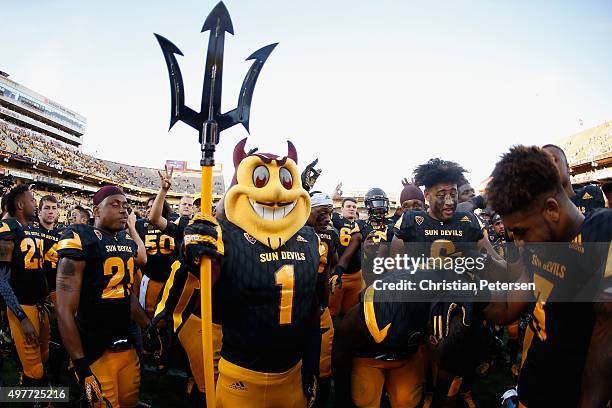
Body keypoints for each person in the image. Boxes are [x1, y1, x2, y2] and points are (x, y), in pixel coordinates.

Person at [187, 138, 323, 407]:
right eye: (261, 178)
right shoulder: (224, 237)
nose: (274, 192)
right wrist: (193, 255)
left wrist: (312, 365)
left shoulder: (309, 237)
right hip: (243, 375)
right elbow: (202, 289)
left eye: (284, 180)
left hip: (292, 372)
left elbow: (312, 309)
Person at [483, 145, 612, 407]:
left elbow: (607, 340)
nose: (518, 244)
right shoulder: (540, 245)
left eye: (521, 231)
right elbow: (506, 309)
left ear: (552, 209)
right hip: (534, 388)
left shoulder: (601, 233)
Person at [55, 185, 150, 408]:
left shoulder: (126, 243)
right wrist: (80, 365)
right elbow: (64, 310)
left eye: (126, 206)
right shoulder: (81, 236)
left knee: (130, 402)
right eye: (114, 205)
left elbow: (125, 294)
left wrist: (147, 325)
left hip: (126, 346)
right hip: (95, 349)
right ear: (96, 211)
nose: (123, 211)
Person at [0, 184, 50, 386]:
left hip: (40, 306)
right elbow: (1, 280)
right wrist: (22, 318)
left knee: (44, 357)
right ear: (20, 204)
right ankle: (37, 399)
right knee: (34, 369)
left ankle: (40, 396)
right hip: (23, 307)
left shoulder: (29, 229)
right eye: (31, 200)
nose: (35, 204)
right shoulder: (7, 228)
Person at [306, 191, 338, 407]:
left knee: (324, 364)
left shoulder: (330, 234)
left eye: (330, 212)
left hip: (320, 308)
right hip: (297, 310)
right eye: (322, 212)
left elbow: (332, 263)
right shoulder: (294, 232)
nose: (327, 218)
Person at [542, 144, 606, 214]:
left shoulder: (592, 193)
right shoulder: (543, 209)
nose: (549, 166)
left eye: (553, 160)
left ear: (567, 168)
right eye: (544, 164)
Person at [329, 197, 365, 317]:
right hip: (339, 275)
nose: (352, 209)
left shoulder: (360, 225)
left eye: (354, 207)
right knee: (332, 311)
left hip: (356, 275)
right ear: (341, 208)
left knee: (350, 312)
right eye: (348, 206)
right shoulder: (336, 219)